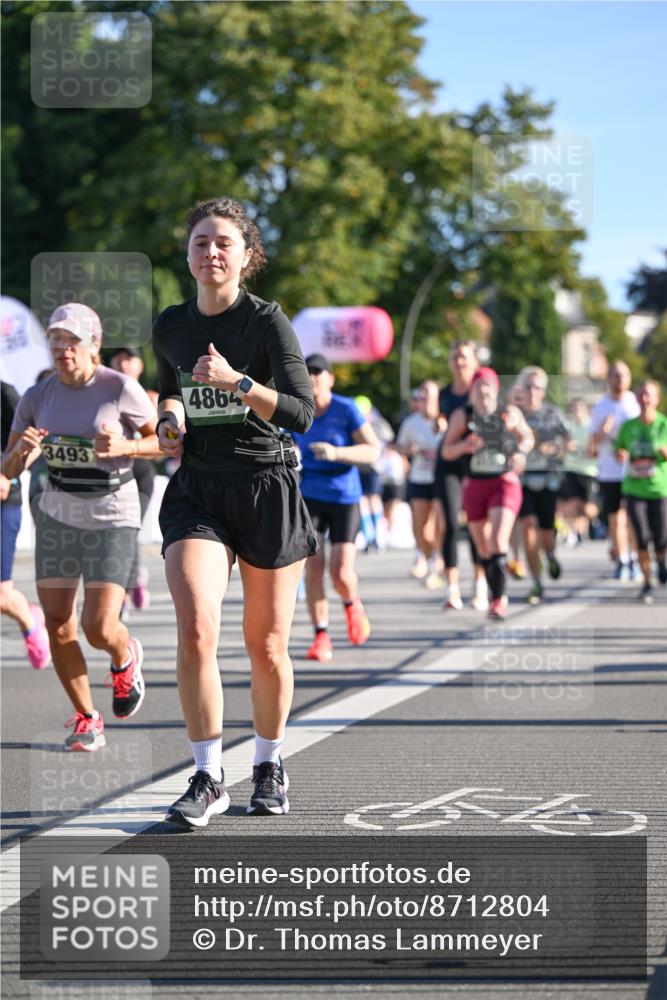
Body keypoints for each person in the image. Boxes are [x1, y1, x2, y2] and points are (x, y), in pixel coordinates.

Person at [153, 197, 317, 825]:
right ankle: (206, 775)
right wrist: (171, 416)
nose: (211, 252)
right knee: (196, 627)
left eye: (224, 242)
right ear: (188, 255)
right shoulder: (170, 324)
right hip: (199, 486)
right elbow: (172, 384)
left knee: (267, 644)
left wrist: (238, 383)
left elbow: (301, 414)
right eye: (200, 242)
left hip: (266, 485)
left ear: (247, 256)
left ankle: (270, 762)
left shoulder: (266, 323)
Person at [2, 303, 157, 750]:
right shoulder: (37, 397)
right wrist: (21, 453)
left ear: (93, 345)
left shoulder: (120, 388)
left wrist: (127, 443)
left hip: (113, 513)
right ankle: (87, 717)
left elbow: (167, 442)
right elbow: (9, 469)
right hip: (58, 515)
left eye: (72, 341)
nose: (62, 349)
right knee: (57, 623)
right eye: (55, 340)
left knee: (98, 626)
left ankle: (125, 654)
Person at [293, 353, 380, 663]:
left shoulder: (346, 409)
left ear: (330, 378)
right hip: (310, 495)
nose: (313, 376)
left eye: (319, 371)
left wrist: (337, 453)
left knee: (341, 571)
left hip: (344, 497)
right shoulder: (299, 409)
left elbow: (373, 451)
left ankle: (351, 603)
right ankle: (321, 635)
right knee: (313, 567)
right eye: (308, 371)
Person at [443, 367, 533, 619]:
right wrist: (463, 446)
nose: (483, 392)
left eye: (487, 386)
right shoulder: (463, 416)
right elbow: (446, 451)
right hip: (474, 485)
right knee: (483, 549)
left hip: (503, 482)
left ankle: (498, 601)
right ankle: (495, 591)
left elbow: (527, 438)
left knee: (497, 540)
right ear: (471, 391)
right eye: (478, 387)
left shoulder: (508, 414)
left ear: (495, 389)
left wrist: (520, 452)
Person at [434, 339, 488, 611]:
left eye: (464, 357)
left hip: (477, 464)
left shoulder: (481, 390)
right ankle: (451, 588)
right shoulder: (444, 394)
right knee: (451, 524)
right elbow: (439, 421)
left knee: (477, 524)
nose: (459, 361)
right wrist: (440, 423)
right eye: (455, 357)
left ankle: (480, 585)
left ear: (474, 361)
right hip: (449, 460)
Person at [0, 381, 51, 669]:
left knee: (2, 596)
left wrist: (8, 476)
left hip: (4, 497)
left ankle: (28, 618)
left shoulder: (6, 394)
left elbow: (34, 441)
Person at [516, 367, 571, 605]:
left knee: (546, 534)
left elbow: (569, 442)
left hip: (547, 479)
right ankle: (536, 582)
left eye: (537, 387)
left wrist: (555, 447)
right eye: (528, 386)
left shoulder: (553, 414)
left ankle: (550, 555)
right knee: (528, 526)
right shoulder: (514, 413)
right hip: (522, 479)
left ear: (543, 390)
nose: (532, 391)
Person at [108, 345, 157, 612]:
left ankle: (127, 587)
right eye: (119, 358)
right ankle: (129, 581)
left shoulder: (150, 397)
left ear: (140, 365)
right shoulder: (105, 395)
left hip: (140, 470)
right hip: (114, 470)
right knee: (118, 531)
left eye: (130, 359)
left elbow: (165, 444)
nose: (124, 364)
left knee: (130, 530)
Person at [615, 380, 667, 604]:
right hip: (634, 489)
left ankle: (662, 562)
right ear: (636, 398)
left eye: (649, 395)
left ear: (657, 399)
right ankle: (647, 582)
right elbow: (619, 446)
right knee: (642, 538)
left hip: (659, 489)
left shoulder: (664, 424)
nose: (645, 399)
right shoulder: (628, 426)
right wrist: (621, 453)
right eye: (641, 394)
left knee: (662, 538)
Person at [589, 361, 641, 581]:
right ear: (608, 378)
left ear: (629, 378)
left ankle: (635, 558)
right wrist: (603, 431)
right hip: (609, 471)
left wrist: (630, 452)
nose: (619, 379)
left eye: (624, 375)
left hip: (633, 471)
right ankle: (621, 559)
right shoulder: (601, 407)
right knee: (615, 519)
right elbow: (592, 443)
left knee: (633, 519)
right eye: (615, 375)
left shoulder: (635, 403)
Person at [396, 379, 445, 589]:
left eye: (429, 397)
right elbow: (400, 447)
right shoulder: (411, 422)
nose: (424, 401)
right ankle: (430, 556)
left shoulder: (446, 421)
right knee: (421, 527)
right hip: (419, 477)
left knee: (437, 525)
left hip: (441, 479)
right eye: (421, 397)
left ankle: (439, 559)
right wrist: (408, 449)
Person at [355, 394, 394, 551]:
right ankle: (368, 533)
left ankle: (378, 533)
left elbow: (388, 439)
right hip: (358, 466)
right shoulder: (354, 423)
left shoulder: (378, 423)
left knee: (373, 498)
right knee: (362, 499)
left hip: (374, 467)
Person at [560, 398, 601, 546]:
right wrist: (566, 447)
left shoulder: (591, 426)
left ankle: (594, 522)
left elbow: (596, 450)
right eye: (574, 408)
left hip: (589, 471)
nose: (577, 411)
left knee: (588, 508)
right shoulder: (568, 426)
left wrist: (590, 450)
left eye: (579, 408)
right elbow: (561, 448)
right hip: (571, 469)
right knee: (571, 503)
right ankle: (574, 533)